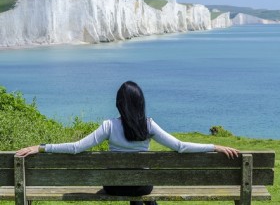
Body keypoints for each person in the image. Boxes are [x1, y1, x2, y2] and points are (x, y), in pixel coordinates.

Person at [16, 81, 239, 205]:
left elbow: (76, 148)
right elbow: (180, 146)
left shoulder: (108, 126)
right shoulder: (149, 125)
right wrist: (215, 146)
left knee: (133, 193)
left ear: (119, 104)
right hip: (142, 185)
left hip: (113, 186)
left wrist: (41, 147)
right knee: (141, 195)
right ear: (140, 102)